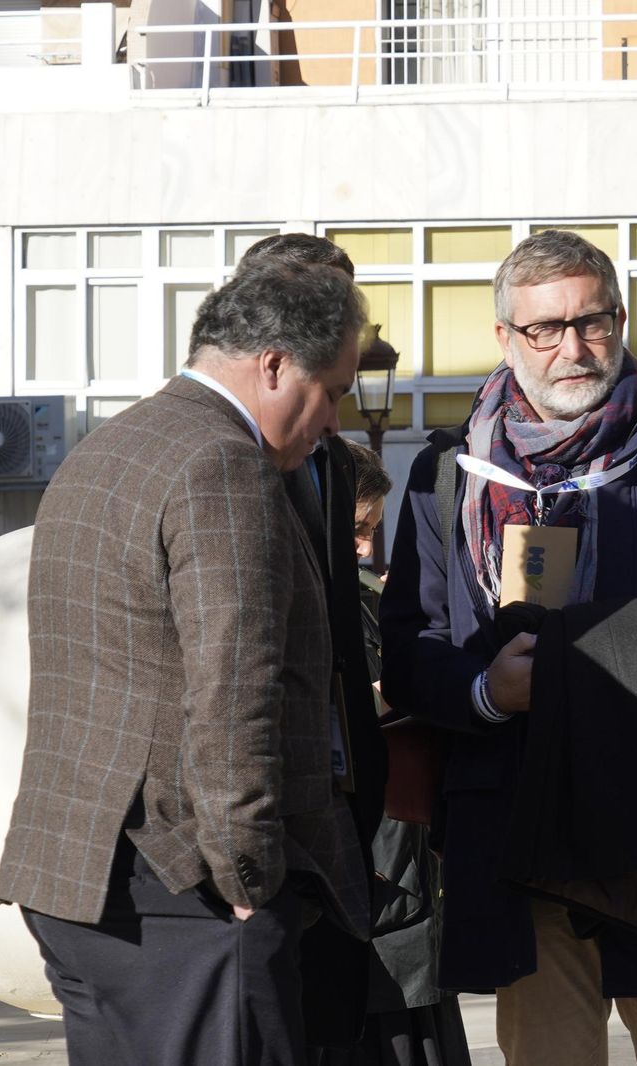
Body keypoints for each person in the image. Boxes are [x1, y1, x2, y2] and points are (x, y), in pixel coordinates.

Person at [378, 229, 637, 1065]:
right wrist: (486, 690)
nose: (572, 346)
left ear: (621, 319)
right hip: (521, 838)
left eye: (592, 322)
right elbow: (409, 647)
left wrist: (621, 662)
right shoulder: (448, 479)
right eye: (544, 328)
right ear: (505, 338)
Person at [0, 259, 372, 1065]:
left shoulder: (112, 447)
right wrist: (246, 876)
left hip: (77, 873)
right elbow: (235, 688)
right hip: (183, 885)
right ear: (273, 364)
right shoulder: (220, 462)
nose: (334, 421)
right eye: (333, 390)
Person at [235, 233, 392, 1054]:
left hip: (341, 781)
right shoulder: (217, 453)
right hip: (258, 798)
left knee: (336, 1009)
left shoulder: (334, 459)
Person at [332, 436, 473, 1066]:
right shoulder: (310, 602)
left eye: (373, 530)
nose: (366, 545)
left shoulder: (362, 600)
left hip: (404, 866)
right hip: (375, 873)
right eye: (357, 528)